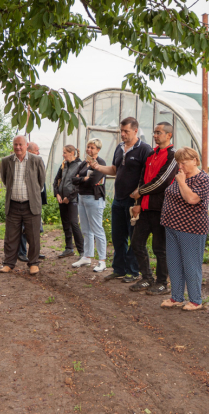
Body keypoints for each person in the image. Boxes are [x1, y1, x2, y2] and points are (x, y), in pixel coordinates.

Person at [89, 117, 152, 283]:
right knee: (118, 236)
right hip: (118, 199)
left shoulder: (144, 149)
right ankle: (119, 269)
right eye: (121, 131)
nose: (123, 134)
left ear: (135, 131)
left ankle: (133, 271)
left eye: (126, 131)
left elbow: (148, 176)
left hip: (133, 201)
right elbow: (115, 169)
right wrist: (98, 167)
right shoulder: (119, 147)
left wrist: (139, 199)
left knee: (134, 237)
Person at [159, 147, 209, 312]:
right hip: (172, 225)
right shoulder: (181, 175)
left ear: (195, 160)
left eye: (184, 163)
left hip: (191, 228)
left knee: (191, 264)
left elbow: (192, 199)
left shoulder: (202, 178)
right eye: (178, 163)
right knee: (173, 262)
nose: (180, 167)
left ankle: (195, 300)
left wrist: (181, 182)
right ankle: (176, 297)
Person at [129, 122, 178, 294]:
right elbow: (142, 179)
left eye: (159, 132)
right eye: (154, 132)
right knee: (137, 243)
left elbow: (162, 181)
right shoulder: (151, 154)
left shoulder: (173, 156)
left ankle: (162, 282)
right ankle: (147, 278)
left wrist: (140, 192)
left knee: (160, 248)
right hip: (145, 208)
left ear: (169, 135)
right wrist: (138, 204)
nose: (155, 136)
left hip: (162, 209)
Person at [0, 135, 46, 275]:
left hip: (31, 205)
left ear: (26, 145)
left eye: (20, 144)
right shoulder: (6, 161)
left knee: (33, 236)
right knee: (11, 236)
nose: (18, 147)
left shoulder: (36, 160)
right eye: (15, 144)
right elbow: (5, 180)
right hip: (13, 205)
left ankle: (33, 263)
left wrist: (31, 194)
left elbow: (41, 182)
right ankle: (8, 263)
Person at [71, 138, 107, 272]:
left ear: (98, 150)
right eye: (88, 147)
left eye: (92, 148)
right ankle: (86, 256)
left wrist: (81, 179)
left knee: (97, 229)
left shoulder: (100, 163)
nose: (89, 150)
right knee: (86, 229)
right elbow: (73, 178)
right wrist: (83, 179)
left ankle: (102, 260)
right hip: (82, 197)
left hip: (94, 198)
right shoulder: (84, 163)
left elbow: (92, 181)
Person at [53, 145, 84, 259]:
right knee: (65, 224)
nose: (63, 155)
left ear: (72, 153)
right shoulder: (64, 165)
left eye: (65, 152)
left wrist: (69, 198)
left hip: (72, 200)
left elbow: (79, 185)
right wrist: (57, 194)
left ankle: (82, 251)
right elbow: (56, 180)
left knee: (74, 223)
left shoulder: (80, 165)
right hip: (62, 199)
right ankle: (69, 248)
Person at [18, 142, 47, 261]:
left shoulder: (38, 161)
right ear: (29, 151)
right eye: (36, 150)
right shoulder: (22, 164)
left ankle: (34, 252)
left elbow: (41, 180)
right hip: (26, 200)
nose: (39, 153)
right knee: (24, 227)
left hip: (36, 200)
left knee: (35, 227)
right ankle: (22, 252)